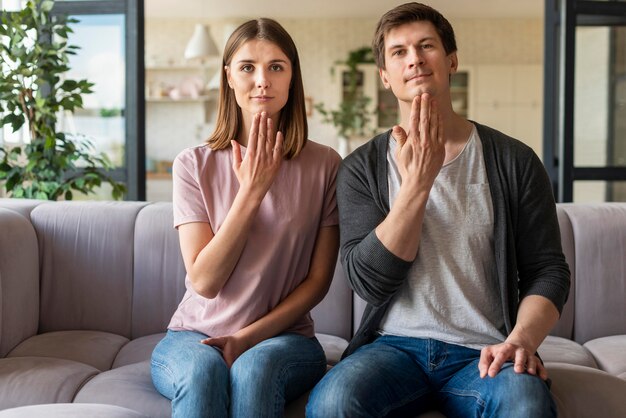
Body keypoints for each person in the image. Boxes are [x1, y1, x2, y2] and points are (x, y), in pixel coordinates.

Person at [306, 3, 570, 417]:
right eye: (399, 52)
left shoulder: (514, 161)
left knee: (527, 403)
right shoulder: (361, 168)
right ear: (385, 77)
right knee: (333, 403)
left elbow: (548, 270)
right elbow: (368, 283)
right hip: (392, 348)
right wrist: (418, 182)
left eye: (425, 45)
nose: (414, 58)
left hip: (483, 352)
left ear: (451, 61)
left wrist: (521, 340)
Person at [151, 18, 341, 418]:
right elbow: (204, 281)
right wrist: (252, 190)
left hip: (285, 339)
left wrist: (246, 338)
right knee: (203, 372)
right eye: (247, 67)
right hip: (194, 335)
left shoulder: (325, 165)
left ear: (292, 79)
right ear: (229, 78)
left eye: (276, 67)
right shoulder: (192, 164)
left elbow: (318, 281)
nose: (262, 80)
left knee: (255, 370)